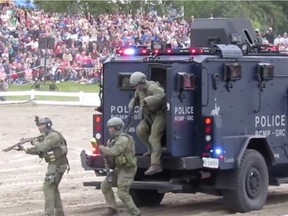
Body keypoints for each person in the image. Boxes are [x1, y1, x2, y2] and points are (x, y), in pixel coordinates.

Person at [14, 116, 69, 216]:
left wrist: (34, 142)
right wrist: (24, 149)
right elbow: (40, 150)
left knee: (47, 187)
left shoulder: (53, 136)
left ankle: (48, 213)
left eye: (42, 125)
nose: (40, 127)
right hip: (55, 164)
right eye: (38, 125)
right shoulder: (47, 136)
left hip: (57, 165)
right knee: (53, 188)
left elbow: (43, 147)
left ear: (48, 124)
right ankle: (59, 213)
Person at [99, 117, 141, 216]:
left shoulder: (123, 140)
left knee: (122, 193)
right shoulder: (114, 139)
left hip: (127, 169)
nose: (109, 129)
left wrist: (101, 148)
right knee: (105, 186)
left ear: (117, 127)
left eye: (111, 127)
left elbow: (114, 151)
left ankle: (135, 213)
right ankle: (112, 208)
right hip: (119, 168)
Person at [129, 71, 166, 176]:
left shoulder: (151, 87)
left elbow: (161, 94)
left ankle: (155, 164)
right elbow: (136, 98)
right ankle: (151, 150)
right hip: (148, 116)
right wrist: (133, 103)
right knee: (140, 130)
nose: (136, 87)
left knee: (154, 138)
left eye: (137, 85)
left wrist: (147, 100)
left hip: (159, 115)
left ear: (142, 82)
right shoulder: (139, 90)